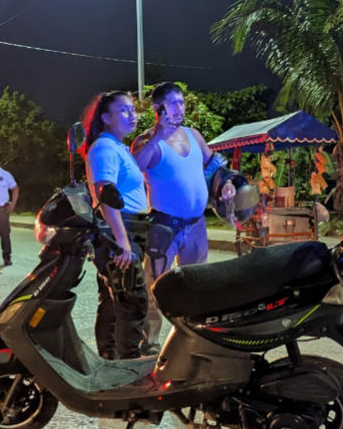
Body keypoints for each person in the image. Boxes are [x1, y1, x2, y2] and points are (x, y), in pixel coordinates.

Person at [130, 82, 233, 356]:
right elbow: (133, 169)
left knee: (197, 284)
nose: (179, 108)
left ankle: (195, 338)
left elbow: (213, 166)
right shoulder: (145, 141)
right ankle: (149, 344)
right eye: (173, 103)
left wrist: (225, 184)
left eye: (182, 102)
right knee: (156, 286)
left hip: (196, 225)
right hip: (165, 226)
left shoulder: (194, 135)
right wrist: (156, 137)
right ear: (157, 108)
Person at [83, 91, 149, 360]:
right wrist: (122, 241)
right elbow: (105, 193)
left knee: (113, 301)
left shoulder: (117, 147)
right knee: (132, 303)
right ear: (106, 118)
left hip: (125, 230)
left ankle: (110, 359)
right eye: (123, 110)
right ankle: (129, 367)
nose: (131, 115)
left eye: (133, 109)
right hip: (120, 231)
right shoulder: (105, 148)